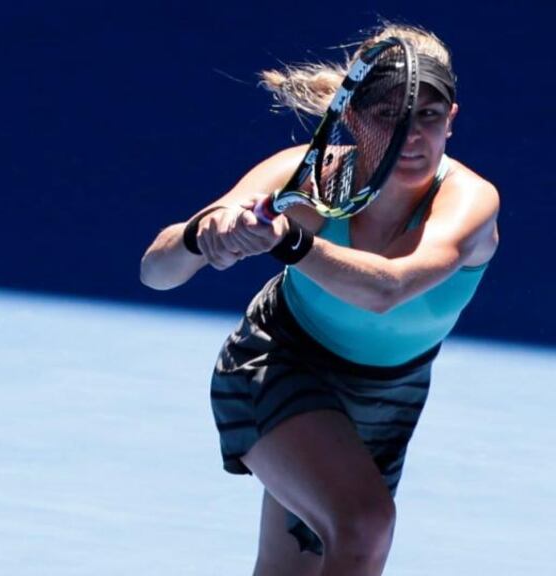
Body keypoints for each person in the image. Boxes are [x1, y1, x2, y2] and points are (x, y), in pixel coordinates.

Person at [139, 24, 499, 576]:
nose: (410, 136)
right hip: (277, 361)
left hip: (390, 398)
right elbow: (156, 272)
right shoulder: (302, 177)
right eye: (387, 117)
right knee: (363, 525)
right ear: (352, 119)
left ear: (451, 119)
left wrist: (290, 241)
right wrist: (204, 235)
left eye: (428, 116)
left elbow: (388, 288)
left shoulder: (470, 201)